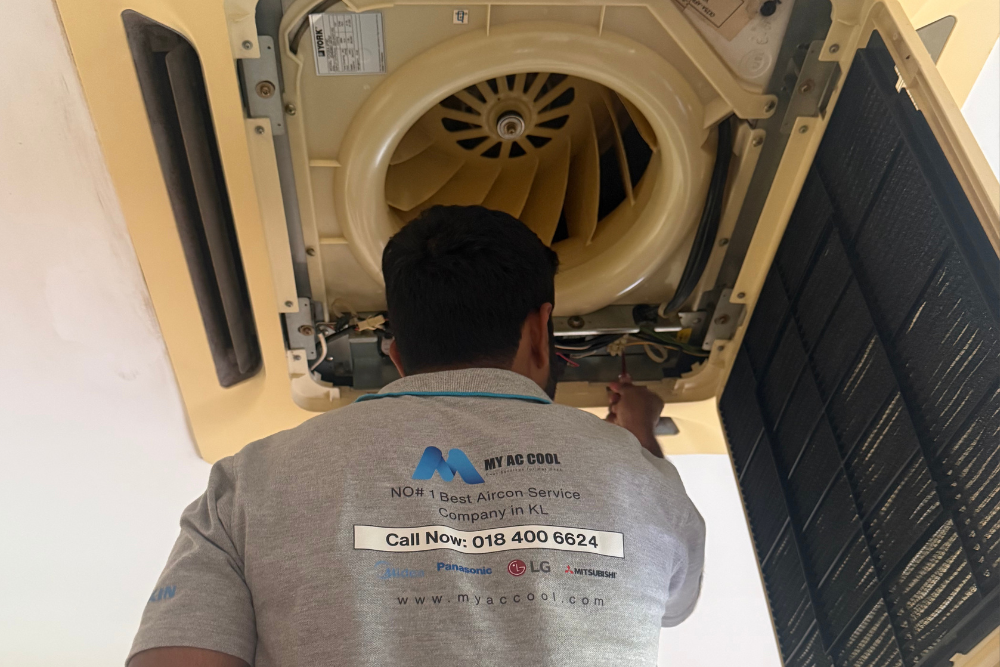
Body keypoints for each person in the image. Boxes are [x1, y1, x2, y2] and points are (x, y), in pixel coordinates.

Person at [129, 205, 705, 667]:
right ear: (538, 332)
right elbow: (674, 605)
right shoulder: (645, 481)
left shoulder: (250, 483)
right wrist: (636, 436)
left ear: (398, 355)